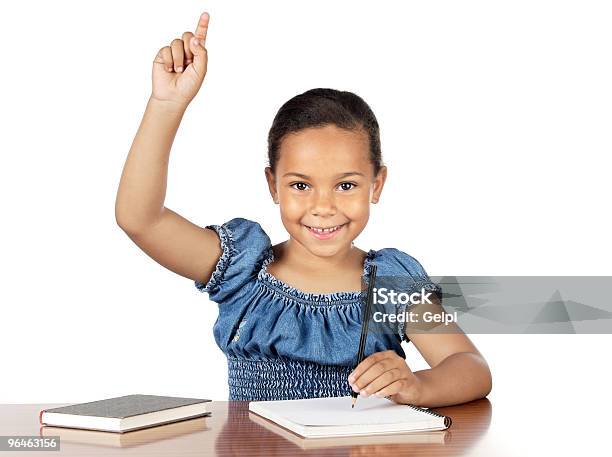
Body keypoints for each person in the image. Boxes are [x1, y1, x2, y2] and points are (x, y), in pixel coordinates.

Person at [115, 11, 492, 407]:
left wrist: (420, 386)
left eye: (346, 185)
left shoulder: (389, 283)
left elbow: (470, 367)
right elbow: (139, 218)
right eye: (300, 185)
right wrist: (166, 104)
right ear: (272, 185)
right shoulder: (242, 268)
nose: (324, 207)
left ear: (376, 185)